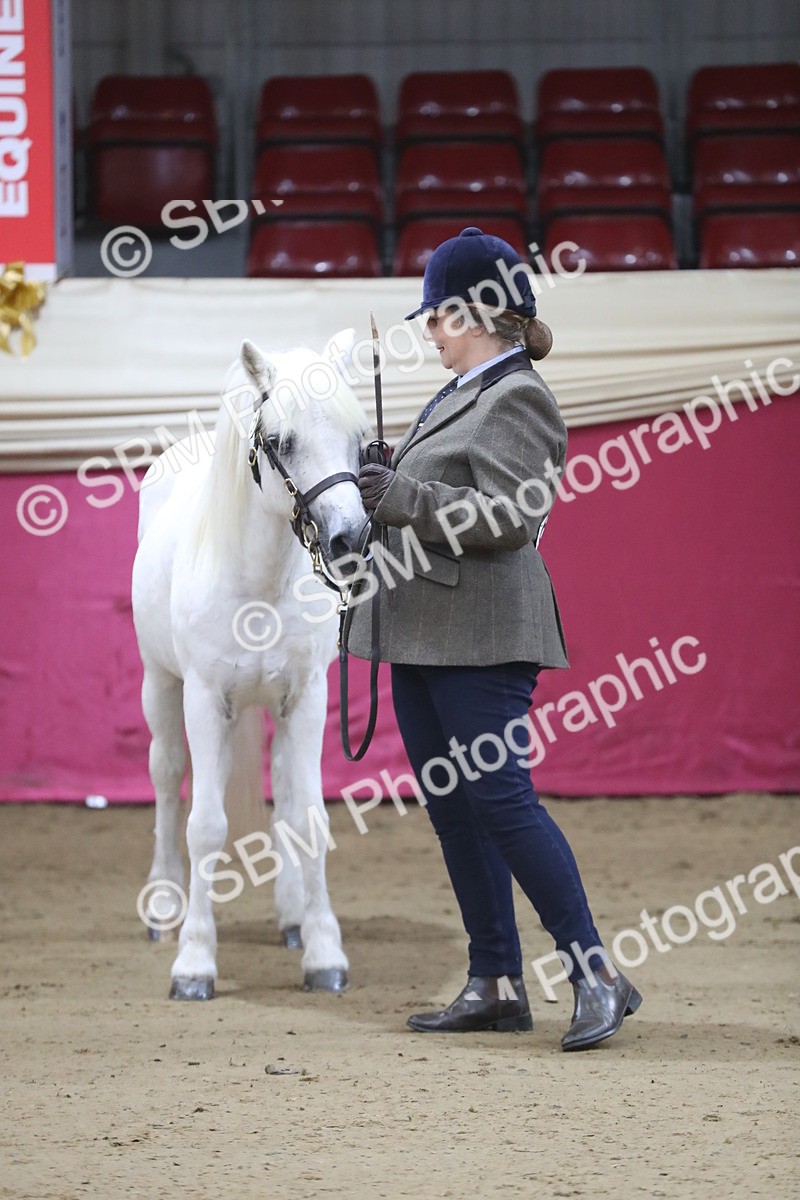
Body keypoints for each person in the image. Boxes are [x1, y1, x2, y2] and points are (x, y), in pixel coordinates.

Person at [348, 227, 642, 1051]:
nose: (429, 332)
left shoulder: (518, 397)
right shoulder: (458, 393)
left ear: (477, 314)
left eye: (437, 316)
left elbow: (511, 517)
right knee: (455, 811)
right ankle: (496, 980)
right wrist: (390, 482)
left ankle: (595, 975)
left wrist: (403, 496)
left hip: (481, 632)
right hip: (422, 631)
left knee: (504, 802)